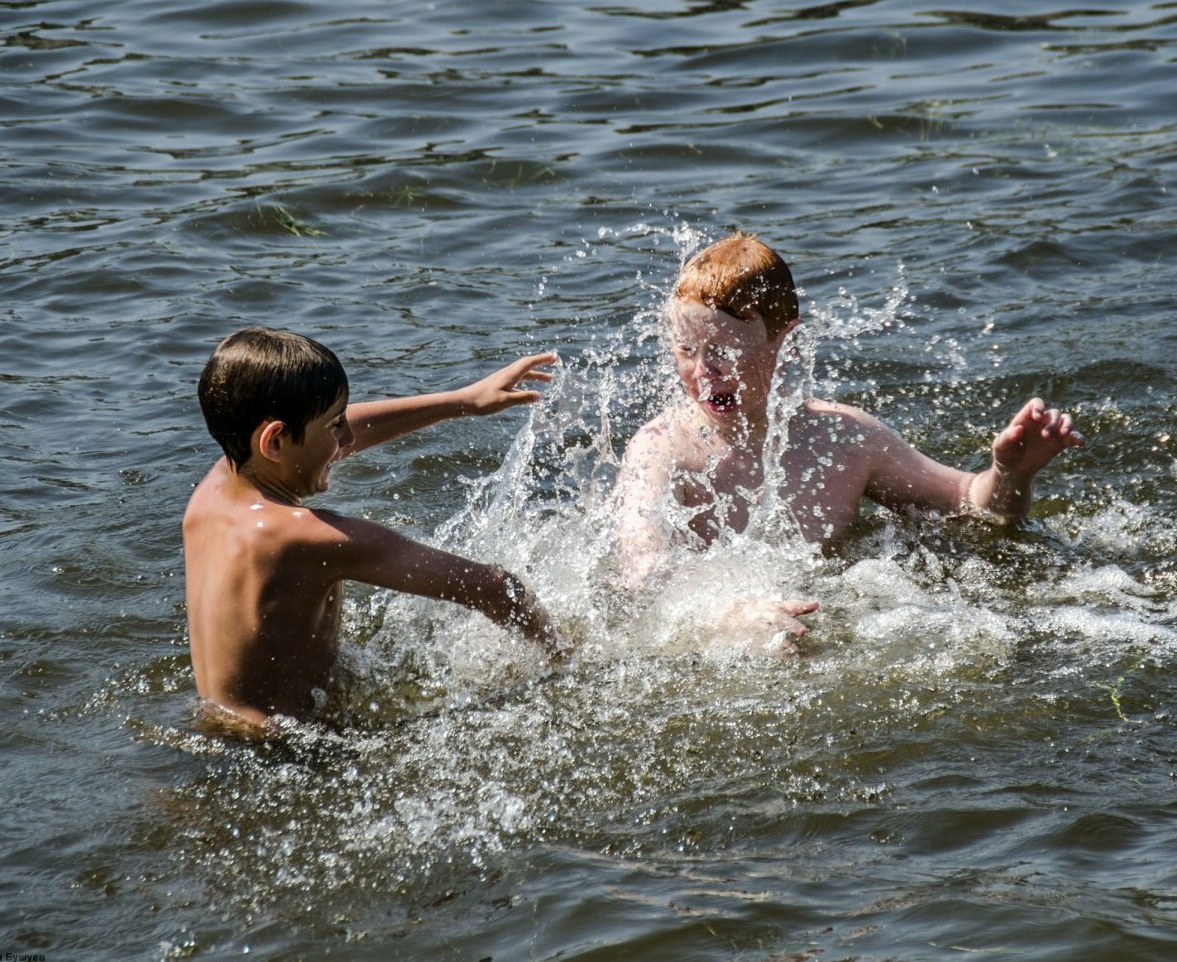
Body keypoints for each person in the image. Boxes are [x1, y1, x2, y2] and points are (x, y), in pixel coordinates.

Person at [613, 233, 1084, 652]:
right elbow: (642, 573)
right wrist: (727, 617)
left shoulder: (844, 438)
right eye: (686, 349)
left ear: (788, 346)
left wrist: (1011, 474)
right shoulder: (662, 448)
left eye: (724, 350)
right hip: (717, 646)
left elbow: (974, 508)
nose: (702, 371)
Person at [183, 327, 558, 730]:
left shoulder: (214, 491)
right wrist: (566, 658)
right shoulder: (307, 537)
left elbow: (328, 429)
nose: (348, 439)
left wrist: (463, 401)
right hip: (284, 749)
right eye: (335, 426)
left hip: (214, 726)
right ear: (273, 442)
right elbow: (492, 588)